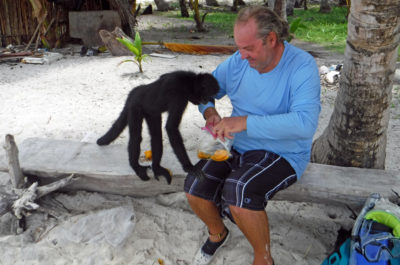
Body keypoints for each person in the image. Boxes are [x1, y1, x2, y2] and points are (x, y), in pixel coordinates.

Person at [184, 6, 321, 265]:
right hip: (238, 144)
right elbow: (203, 90)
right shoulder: (238, 62)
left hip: (284, 151)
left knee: (239, 191)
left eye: (249, 48)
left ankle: (263, 256)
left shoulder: (302, 66)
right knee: (194, 185)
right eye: (239, 48)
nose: (242, 56)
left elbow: (304, 124)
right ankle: (218, 233)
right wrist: (211, 112)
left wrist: (244, 122)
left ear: (271, 39)